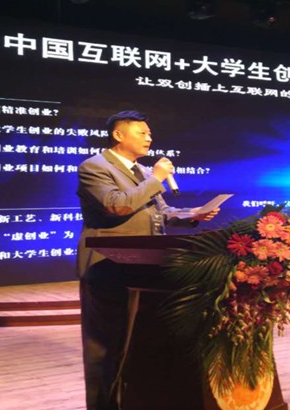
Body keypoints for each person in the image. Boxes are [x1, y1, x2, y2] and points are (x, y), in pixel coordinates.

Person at [76, 110, 218, 410]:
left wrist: (192, 214)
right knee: (106, 346)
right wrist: (156, 178)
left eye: (150, 133)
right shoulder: (94, 166)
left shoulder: (142, 172)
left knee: (142, 342)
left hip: (145, 267)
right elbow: (117, 206)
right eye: (142, 132)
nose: (149, 138)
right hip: (107, 266)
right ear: (118, 135)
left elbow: (160, 212)